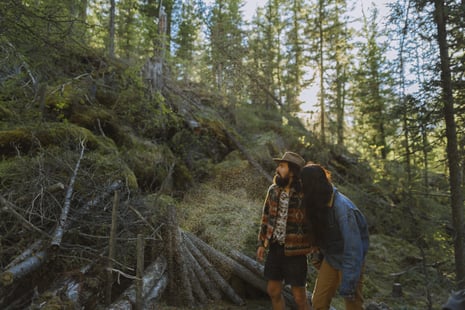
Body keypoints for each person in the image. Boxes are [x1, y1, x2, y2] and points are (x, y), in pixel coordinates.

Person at [301, 163, 369, 310]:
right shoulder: (317, 203)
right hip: (331, 258)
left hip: (350, 260)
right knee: (318, 301)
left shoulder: (344, 209)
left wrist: (349, 282)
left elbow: (353, 249)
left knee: (352, 304)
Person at [256, 151, 313, 310]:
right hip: (275, 247)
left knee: (300, 297)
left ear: (292, 171)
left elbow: (313, 222)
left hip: (296, 252)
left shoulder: (304, 194)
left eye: (282, 166)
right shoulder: (273, 190)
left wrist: (315, 247)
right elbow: (265, 217)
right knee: (273, 291)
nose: (278, 169)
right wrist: (262, 243)